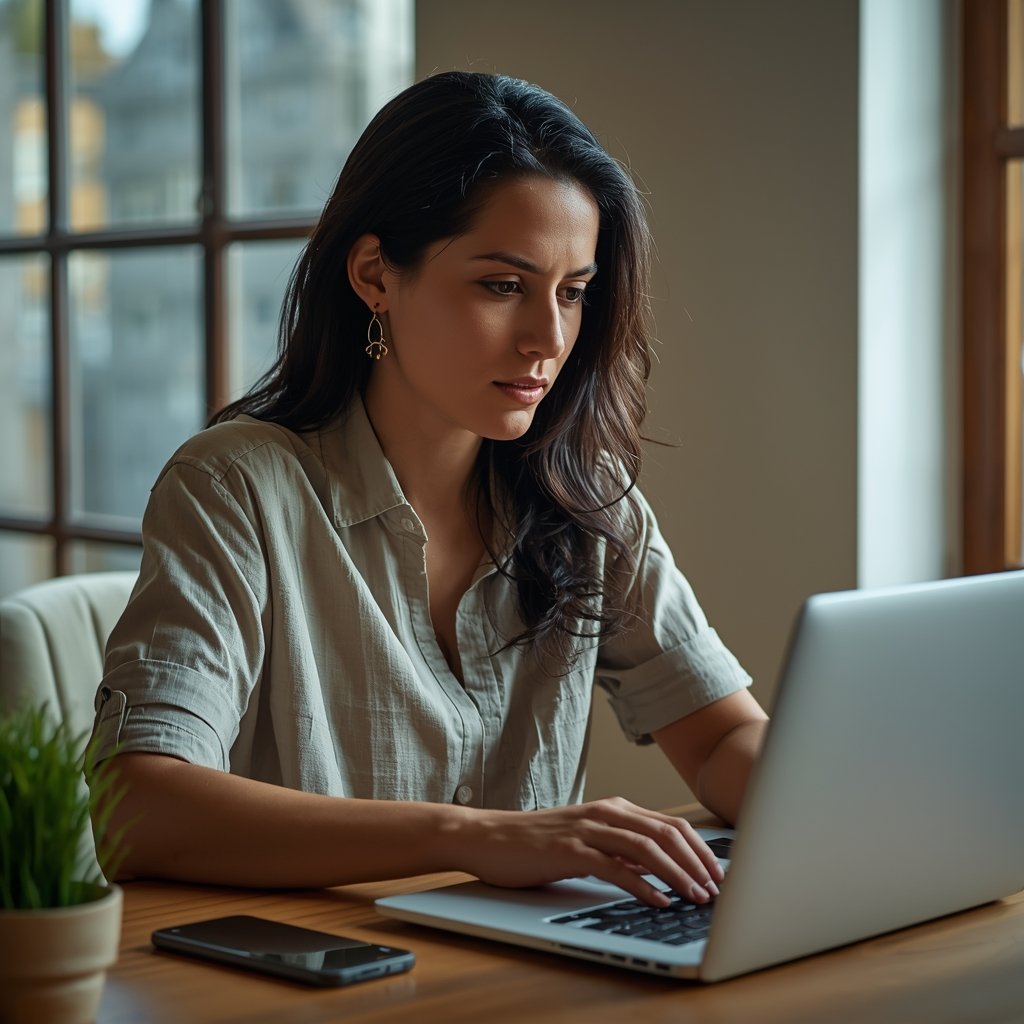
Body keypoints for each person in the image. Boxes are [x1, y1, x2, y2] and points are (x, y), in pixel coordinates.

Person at [89, 71, 768, 909]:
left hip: (523, 979)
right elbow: (137, 805)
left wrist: (844, 814)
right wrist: (472, 839)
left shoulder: (588, 506)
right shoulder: (236, 486)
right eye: (502, 285)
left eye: (573, 293)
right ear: (376, 274)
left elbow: (722, 736)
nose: (547, 340)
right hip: (311, 979)